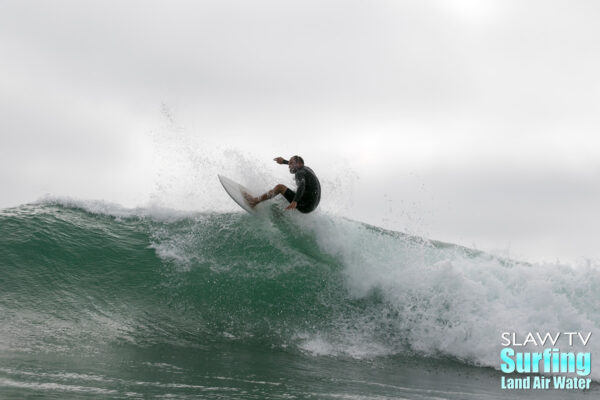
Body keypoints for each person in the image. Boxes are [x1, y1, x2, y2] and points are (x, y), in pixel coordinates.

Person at [244, 155, 321, 213]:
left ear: (298, 163)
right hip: (312, 205)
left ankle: (254, 201)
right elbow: (296, 166)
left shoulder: (299, 173)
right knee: (283, 197)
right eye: (289, 163)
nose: (289, 166)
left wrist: (295, 201)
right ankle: (280, 215)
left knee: (280, 188)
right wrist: (284, 161)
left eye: (291, 163)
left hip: (305, 204)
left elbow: (302, 185)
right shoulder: (307, 169)